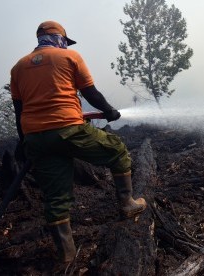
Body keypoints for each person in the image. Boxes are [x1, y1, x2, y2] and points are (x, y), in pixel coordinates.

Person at [10, 20, 146, 263]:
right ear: (60, 38)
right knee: (116, 150)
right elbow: (90, 93)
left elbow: (19, 111)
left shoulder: (18, 67)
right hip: (68, 129)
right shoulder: (69, 57)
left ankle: (67, 254)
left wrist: (25, 144)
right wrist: (110, 110)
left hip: (36, 138)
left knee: (56, 197)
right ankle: (127, 203)